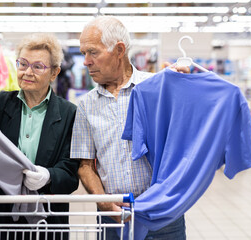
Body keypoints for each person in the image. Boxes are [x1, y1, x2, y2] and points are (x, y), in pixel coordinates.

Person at [70, 16, 187, 239]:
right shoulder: (86, 105)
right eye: (83, 53)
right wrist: (104, 202)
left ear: (119, 50)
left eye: (92, 52)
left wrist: (187, 86)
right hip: (113, 215)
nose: (85, 61)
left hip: (163, 214)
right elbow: (84, 165)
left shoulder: (157, 89)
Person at [0, 33, 80, 239]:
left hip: (47, 220)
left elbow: (70, 175)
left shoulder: (69, 113)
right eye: (23, 64)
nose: (27, 72)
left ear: (54, 73)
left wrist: (49, 176)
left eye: (37, 66)